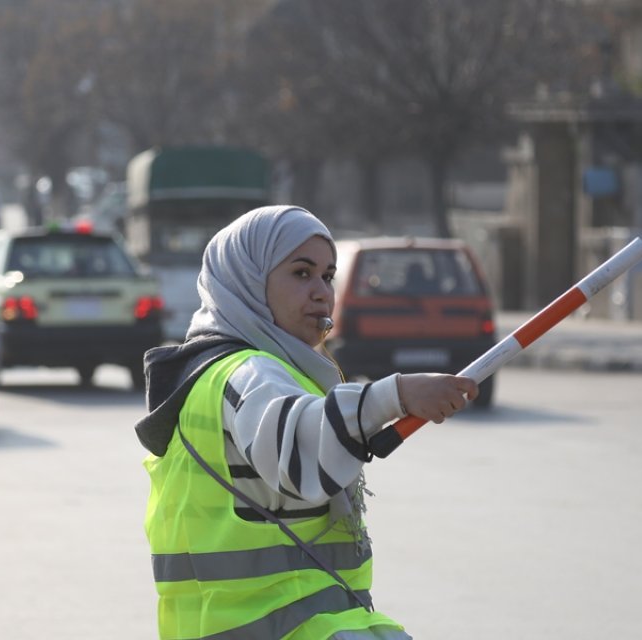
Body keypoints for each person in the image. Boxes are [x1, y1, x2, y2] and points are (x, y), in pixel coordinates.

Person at [136, 205, 478, 639]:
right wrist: (397, 394)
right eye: (301, 274)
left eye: (327, 276)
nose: (322, 292)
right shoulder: (243, 371)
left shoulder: (270, 370)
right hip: (273, 624)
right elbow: (300, 451)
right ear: (248, 281)